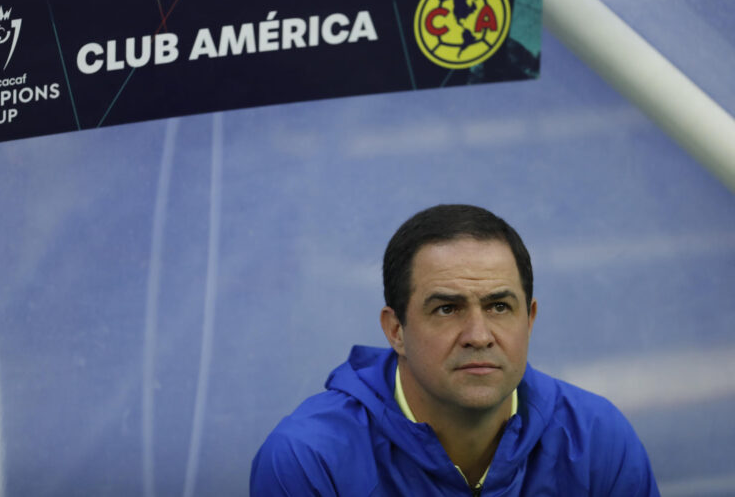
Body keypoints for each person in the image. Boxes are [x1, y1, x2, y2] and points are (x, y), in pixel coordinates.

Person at [251, 204, 659, 496]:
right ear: (395, 330)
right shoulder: (309, 458)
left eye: (499, 307)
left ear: (529, 320)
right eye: (447, 309)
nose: (478, 335)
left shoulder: (596, 438)